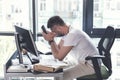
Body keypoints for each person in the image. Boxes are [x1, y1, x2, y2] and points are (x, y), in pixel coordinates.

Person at [42, 16, 99, 80]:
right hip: (81, 61)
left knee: (59, 76)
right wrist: (52, 39)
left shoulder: (72, 34)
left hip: (91, 65)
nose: (54, 33)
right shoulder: (68, 33)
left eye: (53, 31)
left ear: (58, 27)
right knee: (58, 69)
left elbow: (59, 58)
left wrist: (51, 40)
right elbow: (58, 49)